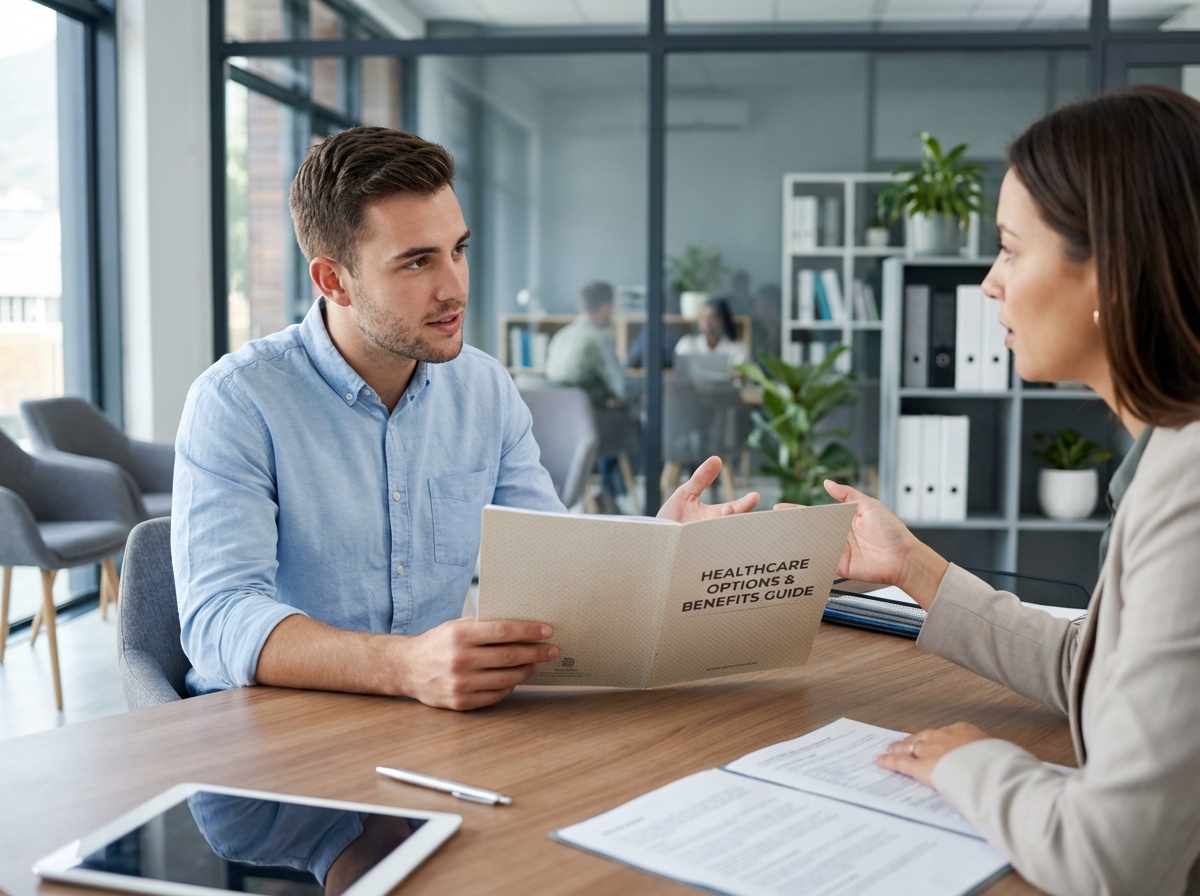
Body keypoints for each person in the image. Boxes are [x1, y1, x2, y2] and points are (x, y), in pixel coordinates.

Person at [173, 127, 749, 712]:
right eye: (417, 262)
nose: (454, 287)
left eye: (459, 250)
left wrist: (657, 551)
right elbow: (217, 620)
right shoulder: (238, 402)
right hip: (270, 737)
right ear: (333, 280)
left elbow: (551, 561)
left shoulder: (483, 388)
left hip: (429, 727)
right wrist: (405, 667)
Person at [815, 86, 1200, 895]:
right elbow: (1094, 669)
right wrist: (913, 567)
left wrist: (975, 763)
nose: (990, 284)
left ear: (1115, 271)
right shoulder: (1169, 450)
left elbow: (1114, 861)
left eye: (1011, 250)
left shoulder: (1192, 488)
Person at [544, 280, 625, 410]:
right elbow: (621, 387)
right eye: (613, 307)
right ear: (605, 307)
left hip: (558, 416)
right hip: (587, 418)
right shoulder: (598, 338)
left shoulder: (561, 335)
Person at [674, 298, 748, 369]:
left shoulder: (737, 349)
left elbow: (741, 376)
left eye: (712, 318)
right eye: (703, 317)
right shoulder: (687, 345)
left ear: (723, 320)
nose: (707, 322)